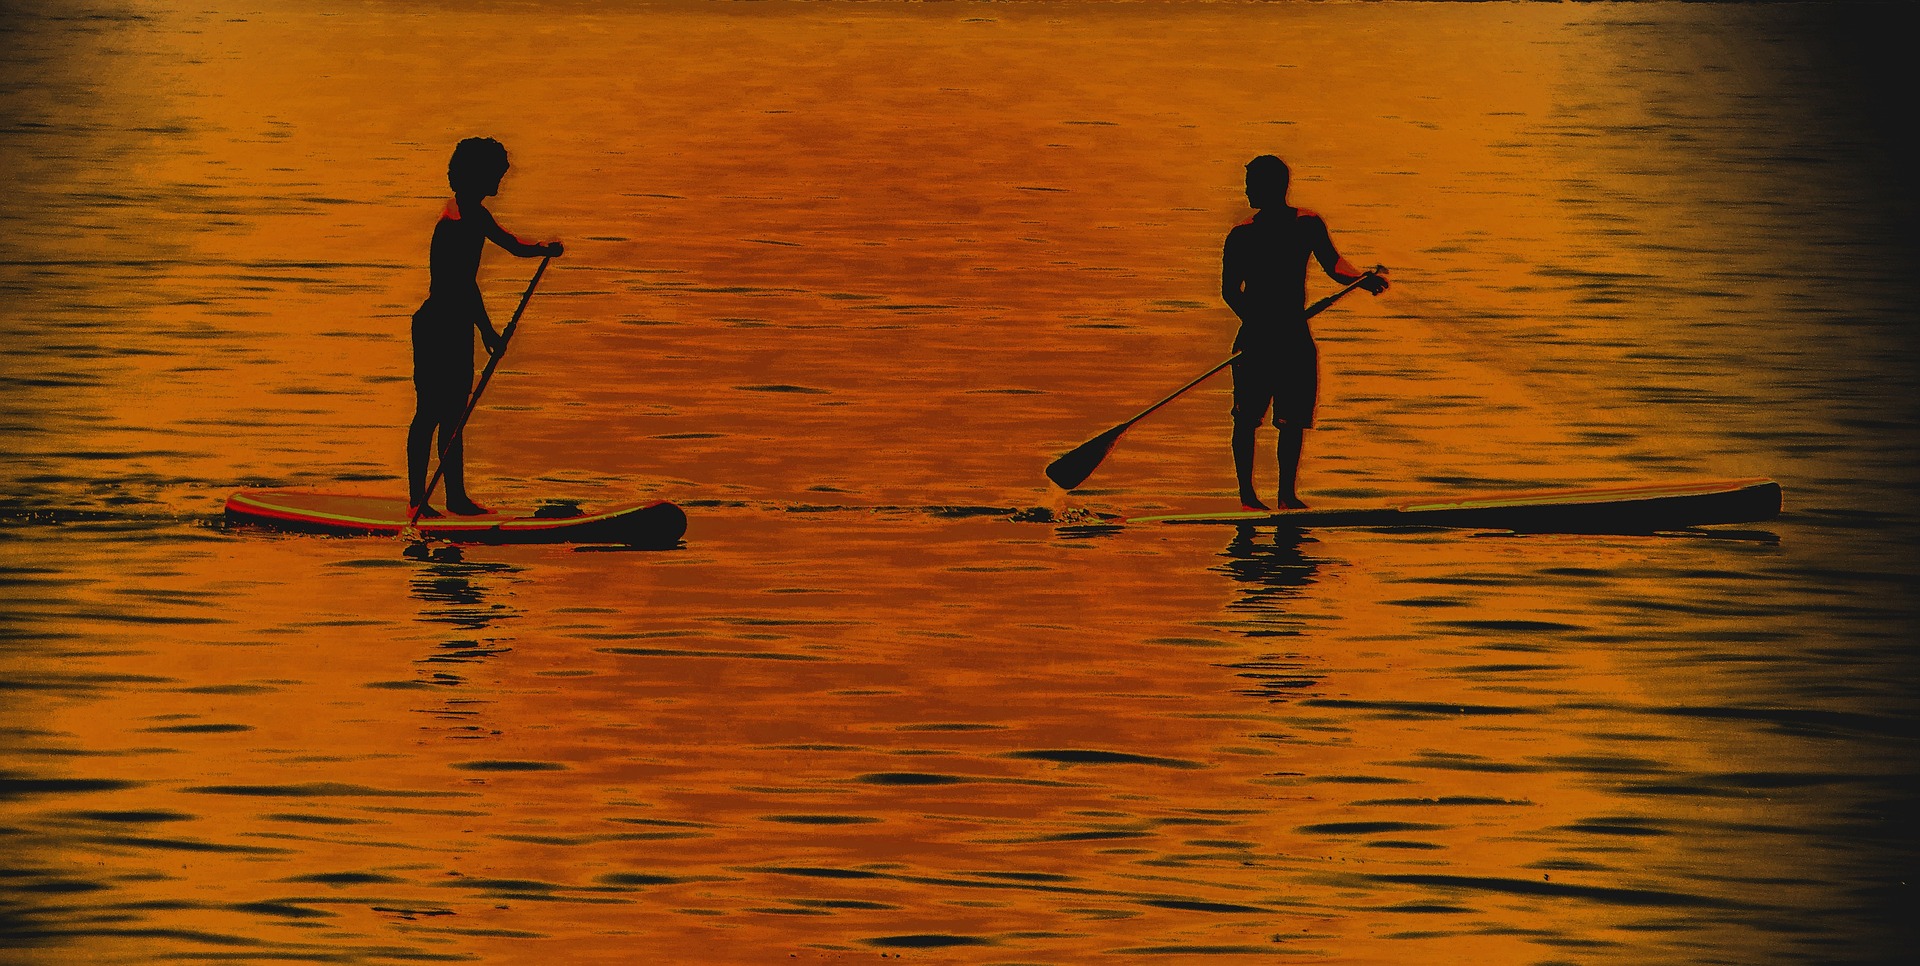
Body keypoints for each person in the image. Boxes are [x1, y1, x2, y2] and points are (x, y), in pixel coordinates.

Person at [407, 137, 562, 518]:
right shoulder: (454, 222)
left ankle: (455, 498)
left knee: (455, 415)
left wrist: (543, 249)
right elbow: (458, 285)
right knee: (430, 412)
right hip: (437, 326)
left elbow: (512, 246)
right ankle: (417, 500)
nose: (500, 181)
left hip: (457, 324)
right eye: (496, 174)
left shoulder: (476, 214)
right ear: (477, 175)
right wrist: (488, 331)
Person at [1221, 154, 1387, 510]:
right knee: (1248, 419)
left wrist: (1360, 279)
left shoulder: (1307, 224)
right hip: (1255, 341)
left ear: (1274, 187)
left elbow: (1334, 263)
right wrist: (1259, 323)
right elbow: (1230, 291)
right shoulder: (1242, 235)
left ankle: (1286, 497)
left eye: (1252, 184)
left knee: (1292, 421)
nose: (1247, 190)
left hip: (1294, 339)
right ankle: (1248, 498)